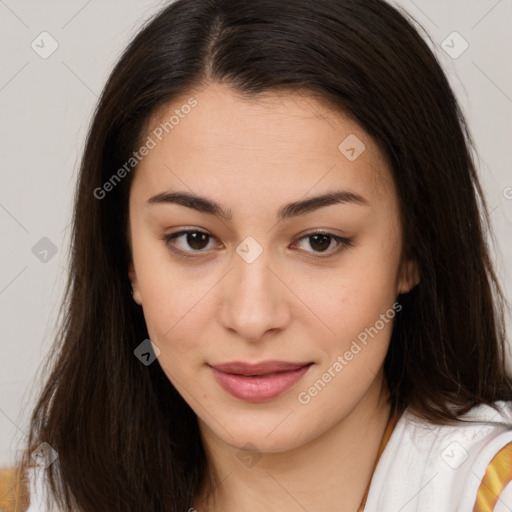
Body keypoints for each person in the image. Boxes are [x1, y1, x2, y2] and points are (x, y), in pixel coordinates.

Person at [12, 0, 512, 511]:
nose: (252, 317)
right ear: (127, 259)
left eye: (320, 241)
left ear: (413, 251)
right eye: (195, 239)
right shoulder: (48, 496)